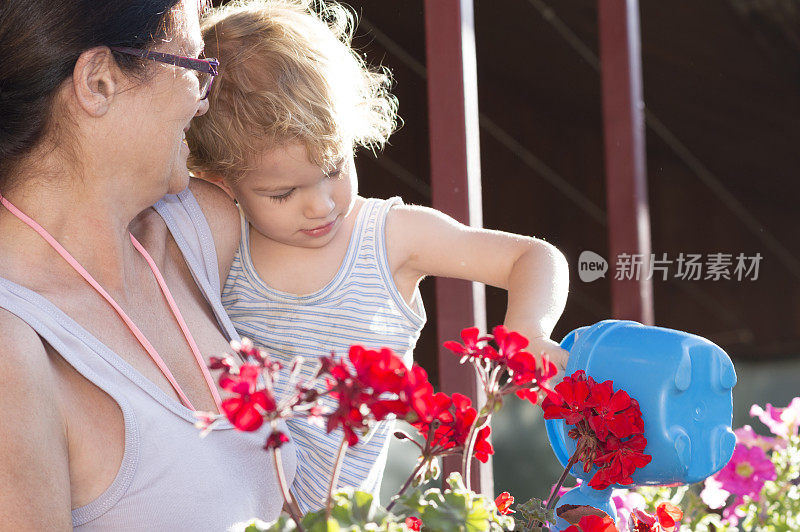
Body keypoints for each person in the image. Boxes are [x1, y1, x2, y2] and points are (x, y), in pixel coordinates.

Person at [186, 0, 571, 513]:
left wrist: (528, 330)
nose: (320, 204)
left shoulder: (390, 237)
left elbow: (534, 257)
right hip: (230, 509)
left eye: (334, 165)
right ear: (220, 181)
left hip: (342, 519)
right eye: (282, 193)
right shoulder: (224, 237)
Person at [0, 0, 296, 528]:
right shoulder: (14, 347)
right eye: (195, 68)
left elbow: (358, 246)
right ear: (99, 82)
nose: (204, 102)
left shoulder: (201, 227)